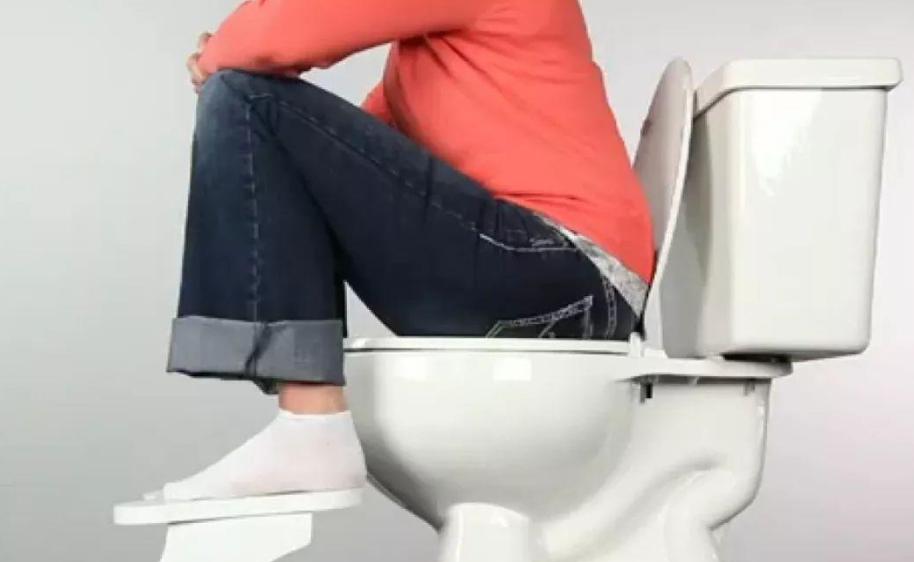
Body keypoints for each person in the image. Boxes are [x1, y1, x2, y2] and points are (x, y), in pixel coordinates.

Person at [148, 0, 655, 502]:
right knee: (257, 116)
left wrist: (218, 58)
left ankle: (311, 426)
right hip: (560, 279)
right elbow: (333, 165)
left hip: (565, 265)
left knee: (243, 96)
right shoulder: (424, 65)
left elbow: (279, 33)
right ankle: (306, 426)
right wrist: (236, 64)